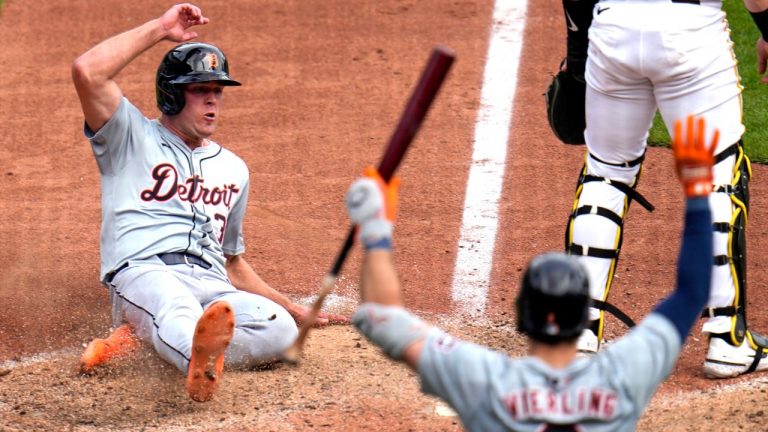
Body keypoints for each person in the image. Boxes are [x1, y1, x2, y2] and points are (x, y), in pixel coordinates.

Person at [345, 114, 715, 431]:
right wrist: (698, 191)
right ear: (582, 314)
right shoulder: (622, 376)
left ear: (522, 314)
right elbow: (692, 292)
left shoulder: (484, 381)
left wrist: (376, 228)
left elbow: (384, 315)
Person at [71, 3, 346, 402]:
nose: (213, 101)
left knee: (278, 330)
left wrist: (293, 308)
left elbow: (231, 261)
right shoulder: (128, 138)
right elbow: (87, 71)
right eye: (200, 90)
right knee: (175, 306)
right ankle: (193, 365)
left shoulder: (234, 169)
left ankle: (147, 344)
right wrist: (160, 29)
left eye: (217, 91)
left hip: (211, 284)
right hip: (146, 274)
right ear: (171, 95)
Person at [556, 0, 768, 378]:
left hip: (612, 29)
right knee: (715, 174)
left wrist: (578, 54)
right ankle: (728, 339)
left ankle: (577, 333)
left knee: (606, 173)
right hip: (690, 35)